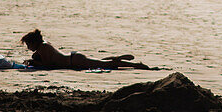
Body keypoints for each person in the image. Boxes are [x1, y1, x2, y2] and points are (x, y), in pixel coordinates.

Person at [21, 29, 153, 70]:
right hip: (74, 57)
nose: (28, 47)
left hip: (75, 62)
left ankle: (136, 65)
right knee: (101, 62)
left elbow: (49, 65)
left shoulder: (43, 48)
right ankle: (118, 58)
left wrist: (33, 63)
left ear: (33, 42)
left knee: (108, 65)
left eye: (28, 44)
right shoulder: (44, 45)